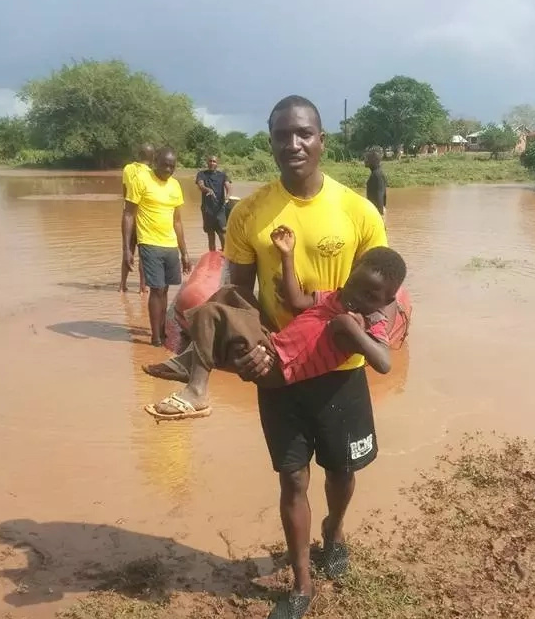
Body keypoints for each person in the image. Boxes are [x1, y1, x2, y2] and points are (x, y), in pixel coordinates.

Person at [221, 95, 388, 619]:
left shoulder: (358, 211)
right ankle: (300, 585)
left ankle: (334, 535)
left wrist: (377, 337)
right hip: (282, 368)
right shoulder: (248, 212)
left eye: (304, 134)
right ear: (269, 141)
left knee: (341, 470)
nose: (293, 144)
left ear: (322, 140)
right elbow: (237, 293)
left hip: (340, 373)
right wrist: (247, 346)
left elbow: (382, 293)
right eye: (281, 135)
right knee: (292, 478)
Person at [145, 230, 406, 420]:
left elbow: (384, 363)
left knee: (210, 314)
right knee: (233, 293)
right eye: (354, 286)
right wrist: (287, 255)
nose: (356, 298)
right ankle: (190, 362)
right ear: (349, 276)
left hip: (278, 366)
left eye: (371, 297)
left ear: (388, 300)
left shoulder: (370, 322)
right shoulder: (333, 297)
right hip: (272, 343)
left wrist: (347, 326)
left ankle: (197, 391)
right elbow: (296, 300)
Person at [123, 147, 191, 346]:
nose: (168, 169)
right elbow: (128, 215)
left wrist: (184, 252)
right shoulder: (141, 180)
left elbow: (177, 221)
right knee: (157, 289)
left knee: (166, 289)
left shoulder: (175, 186)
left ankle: (162, 331)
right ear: (155, 162)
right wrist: (127, 249)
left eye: (172, 166)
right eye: (165, 165)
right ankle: (155, 338)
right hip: (149, 243)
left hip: (170, 245)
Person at [119, 143, 154, 292]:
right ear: (152, 157)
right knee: (143, 253)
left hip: (128, 215)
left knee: (127, 250)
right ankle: (142, 287)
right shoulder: (151, 174)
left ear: (138, 155)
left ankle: (122, 285)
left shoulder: (127, 169)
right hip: (143, 218)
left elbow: (125, 193)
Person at [196, 155, 231, 252]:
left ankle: (225, 254)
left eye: (214, 161)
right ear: (207, 162)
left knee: (222, 233)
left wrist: (227, 197)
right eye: (210, 161)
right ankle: (212, 257)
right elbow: (200, 185)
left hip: (220, 209)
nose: (212, 163)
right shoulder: (201, 174)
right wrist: (207, 189)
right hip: (207, 209)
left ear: (217, 163)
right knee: (210, 235)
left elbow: (228, 187)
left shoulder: (222, 175)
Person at [364, 146, 387, 219]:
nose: (365, 160)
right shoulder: (376, 174)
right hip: (376, 214)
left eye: (368, 158)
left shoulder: (377, 175)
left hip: (377, 215)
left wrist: (380, 218)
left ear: (374, 160)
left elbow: (379, 197)